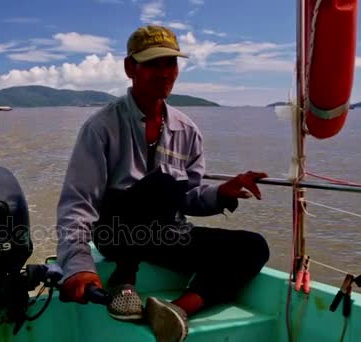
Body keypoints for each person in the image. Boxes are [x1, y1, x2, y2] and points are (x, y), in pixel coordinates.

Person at [55, 24, 270, 342]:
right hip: (117, 234)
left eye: (170, 63)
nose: (164, 72)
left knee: (253, 247)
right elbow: (78, 203)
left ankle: (176, 309)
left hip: (165, 233)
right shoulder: (101, 127)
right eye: (153, 63)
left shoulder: (188, 130)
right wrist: (78, 265)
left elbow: (189, 198)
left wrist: (221, 193)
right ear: (131, 68)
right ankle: (124, 277)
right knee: (163, 184)